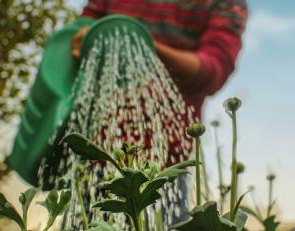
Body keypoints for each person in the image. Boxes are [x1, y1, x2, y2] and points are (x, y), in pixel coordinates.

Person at [71, 0, 248, 226]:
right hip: (96, 151)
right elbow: (86, 22)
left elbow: (212, 70)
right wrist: (82, 36)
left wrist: (143, 46)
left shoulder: (225, 4)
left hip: (164, 162)